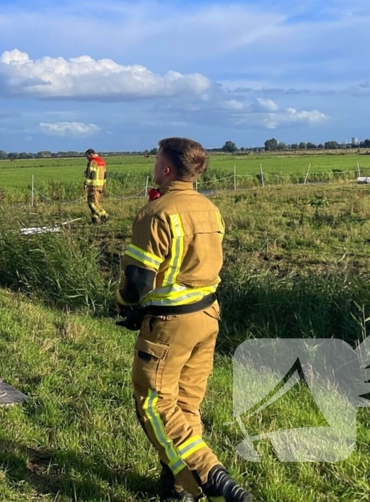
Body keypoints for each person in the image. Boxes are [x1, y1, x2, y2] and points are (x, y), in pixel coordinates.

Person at [116, 137, 253, 502]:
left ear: (166, 169)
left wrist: (121, 304)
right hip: (207, 316)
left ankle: (212, 477)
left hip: (170, 325)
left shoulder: (157, 213)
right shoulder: (211, 209)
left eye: (156, 161)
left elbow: (136, 284)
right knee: (185, 406)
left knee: (155, 404)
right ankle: (178, 489)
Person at [83, 148, 109, 223]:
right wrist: (104, 184)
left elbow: (92, 174)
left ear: (91, 154)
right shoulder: (102, 161)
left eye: (87, 156)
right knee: (96, 202)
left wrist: (86, 183)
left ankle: (103, 215)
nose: (87, 158)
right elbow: (105, 175)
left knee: (91, 203)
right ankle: (95, 218)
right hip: (100, 185)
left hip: (93, 185)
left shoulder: (93, 162)